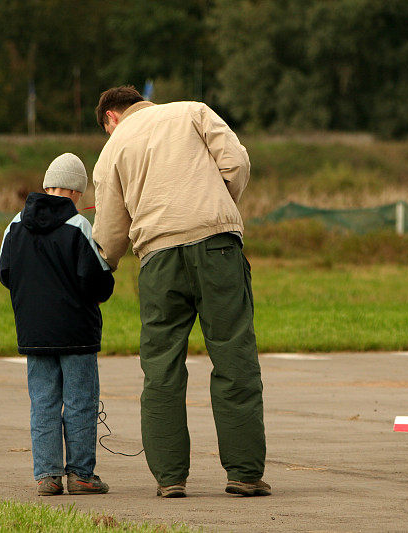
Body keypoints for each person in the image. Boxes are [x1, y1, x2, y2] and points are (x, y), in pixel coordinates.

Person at [91, 86, 269, 498]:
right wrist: (221, 206)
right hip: (217, 245)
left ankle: (170, 478)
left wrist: (109, 264)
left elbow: (111, 228)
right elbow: (237, 162)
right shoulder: (192, 111)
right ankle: (243, 473)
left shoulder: (114, 146)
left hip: (157, 258)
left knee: (162, 368)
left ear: (110, 119)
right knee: (233, 354)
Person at [0, 153, 114, 496]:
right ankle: (80, 475)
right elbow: (98, 283)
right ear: (77, 191)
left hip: (34, 331)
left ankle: (47, 476)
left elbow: (6, 274)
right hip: (77, 331)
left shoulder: (15, 224)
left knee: (43, 400)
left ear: (47, 186)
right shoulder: (78, 226)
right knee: (80, 400)